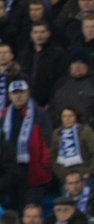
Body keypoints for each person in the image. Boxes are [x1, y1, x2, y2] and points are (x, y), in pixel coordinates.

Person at [2, 79, 53, 209]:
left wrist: (44, 166)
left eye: (22, 92)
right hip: (9, 170)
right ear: (9, 96)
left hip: (33, 169)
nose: (18, 96)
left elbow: (48, 141)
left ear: (28, 93)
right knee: (13, 209)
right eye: (15, 93)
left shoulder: (40, 114)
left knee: (32, 209)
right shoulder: (3, 115)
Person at [50, 47, 94, 147]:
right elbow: (52, 110)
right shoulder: (60, 84)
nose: (77, 66)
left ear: (87, 65)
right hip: (63, 138)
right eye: (74, 63)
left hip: (90, 139)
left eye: (81, 63)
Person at [18, 21, 69, 108]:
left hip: (48, 103)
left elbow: (61, 81)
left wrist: (51, 102)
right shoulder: (24, 54)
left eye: (42, 32)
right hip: (26, 102)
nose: (39, 35)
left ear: (48, 33)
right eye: (36, 32)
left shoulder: (58, 54)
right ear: (31, 34)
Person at [51, 105, 94, 184]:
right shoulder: (57, 133)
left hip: (85, 177)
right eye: (64, 116)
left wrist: (89, 172)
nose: (67, 119)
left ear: (76, 117)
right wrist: (60, 173)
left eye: (70, 116)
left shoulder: (85, 131)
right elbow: (53, 155)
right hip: (65, 178)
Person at [0, 42, 21, 110]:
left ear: (12, 56)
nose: (2, 55)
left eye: (5, 52)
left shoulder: (18, 76)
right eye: (0, 53)